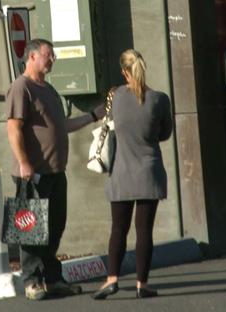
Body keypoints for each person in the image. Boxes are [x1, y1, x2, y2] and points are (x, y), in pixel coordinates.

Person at [6, 38, 103, 301]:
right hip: (33, 173)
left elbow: (62, 126)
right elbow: (13, 128)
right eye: (48, 55)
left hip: (55, 172)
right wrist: (24, 162)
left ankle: (53, 279)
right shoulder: (21, 87)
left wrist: (95, 115)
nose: (53, 59)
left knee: (55, 226)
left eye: (53, 55)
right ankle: (32, 282)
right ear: (33, 56)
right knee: (31, 229)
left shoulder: (48, 89)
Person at [91, 49, 172, 300]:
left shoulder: (115, 97)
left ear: (123, 71)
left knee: (118, 228)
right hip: (149, 171)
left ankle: (112, 279)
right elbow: (165, 133)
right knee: (144, 230)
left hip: (121, 172)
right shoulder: (160, 99)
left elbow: (99, 118)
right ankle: (142, 284)